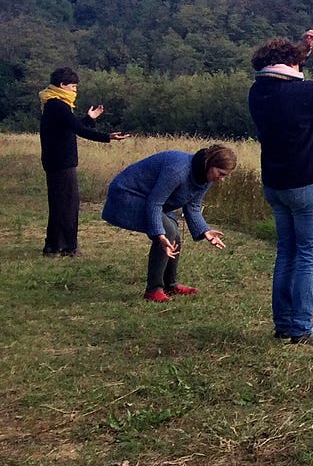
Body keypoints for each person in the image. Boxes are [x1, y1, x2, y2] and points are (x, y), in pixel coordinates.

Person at [248, 29, 313, 346]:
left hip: (275, 185)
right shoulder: (297, 95)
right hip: (306, 185)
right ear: (288, 66)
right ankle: (301, 329)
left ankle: (283, 325)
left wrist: (301, 55)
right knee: (308, 257)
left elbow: (290, 81)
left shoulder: (258, 92)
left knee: (287, 254)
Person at [101, 145, 236, 301]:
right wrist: (158, 233)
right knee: (167, 230)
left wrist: (205, 230)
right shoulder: (178, 171)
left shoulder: (205, 177)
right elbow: (155, 203)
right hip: (126, 195)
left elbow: (193, 206)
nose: (221, 179)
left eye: (225, 176)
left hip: (148, 199)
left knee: (174, 233)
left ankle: (170, 285)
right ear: (210, 164)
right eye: (220, 174)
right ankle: (153, 290)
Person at [39, 66, 129, 257]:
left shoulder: (52, 104)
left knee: (59, 204)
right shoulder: (58, 105)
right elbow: (80, 130)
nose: (75, 90)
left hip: (55, 161)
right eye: (72, 86)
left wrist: (89, 118)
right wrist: (107, 137)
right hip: (62, 162)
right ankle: (68, 247)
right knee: (68, 205)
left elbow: (72, 127)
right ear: (62, 85)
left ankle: (53, 246)